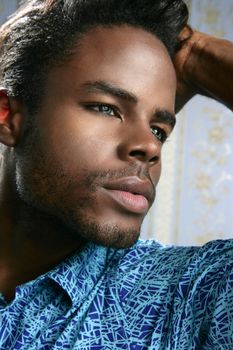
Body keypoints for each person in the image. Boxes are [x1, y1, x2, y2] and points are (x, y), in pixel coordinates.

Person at [0, 0, 232, 348]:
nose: (149, 147)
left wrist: (196, 56)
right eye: (106, 108)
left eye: (159, 130)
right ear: (8, 116)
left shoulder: (189, 295)